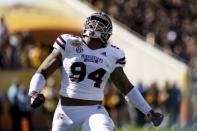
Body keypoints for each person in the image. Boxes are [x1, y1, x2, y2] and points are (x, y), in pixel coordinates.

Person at [28, 12, 163, 131]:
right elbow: (44, 70)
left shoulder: (112, 54)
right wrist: (34, 92)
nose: (96, 25)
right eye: (94, 21)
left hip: (93, 111)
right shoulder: (69, 43)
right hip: (65, 112)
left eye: (101, 23)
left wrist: (149, 111)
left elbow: (125, 87)